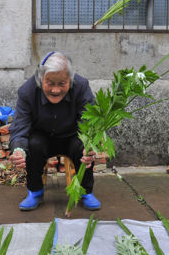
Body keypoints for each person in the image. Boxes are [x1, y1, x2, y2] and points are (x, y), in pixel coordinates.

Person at [9, 51, 101, 211]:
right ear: (40, 79)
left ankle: (86, 192)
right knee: (33, 144)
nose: (56, 90)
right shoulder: (27, 91)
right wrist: (18, 149)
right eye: (50, 83)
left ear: (70, 80)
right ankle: (35, 192)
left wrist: (90, 143)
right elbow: (20, 125)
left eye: (62, 83)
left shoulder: (81, 86)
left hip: (72, 136)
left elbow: (90, 121)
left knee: (83, 146)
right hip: (43, 137)